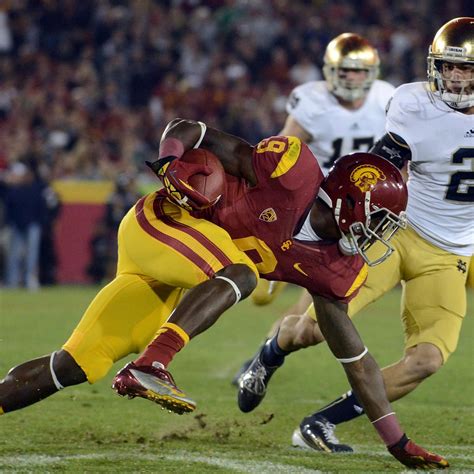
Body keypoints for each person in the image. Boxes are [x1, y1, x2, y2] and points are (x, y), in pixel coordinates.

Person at [0, 118, 446, 469]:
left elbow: (357, 361)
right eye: (380, 219)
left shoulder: (336, 268)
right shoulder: (291, 173)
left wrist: (397, 442)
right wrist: (169, 160)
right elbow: (190, 129)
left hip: (177, 270)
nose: (380, 233)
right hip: (161, 224)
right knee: (243, 273)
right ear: (348, 203)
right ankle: (152, 364)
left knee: (78, 363)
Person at [237, 16, 473, 455]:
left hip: (450, 254)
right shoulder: (414, 103)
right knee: (313, 330)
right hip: (393, 235)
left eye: (467, 68)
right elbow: (381, 168)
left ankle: (322, 422)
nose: (456, 77)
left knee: (427, 359)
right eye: (449, 66)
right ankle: (269, 354)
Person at [250, 32, 395, 309]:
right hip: (309, 199)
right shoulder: (313, 101)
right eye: (344, 70)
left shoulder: (386, 98)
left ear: (372, 73)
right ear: (330, 71)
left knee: (324, 287)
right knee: (261, 296)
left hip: (353, 205)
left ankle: (291, 327)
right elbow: (281, 151)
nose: (351, 77)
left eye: (358, 71)